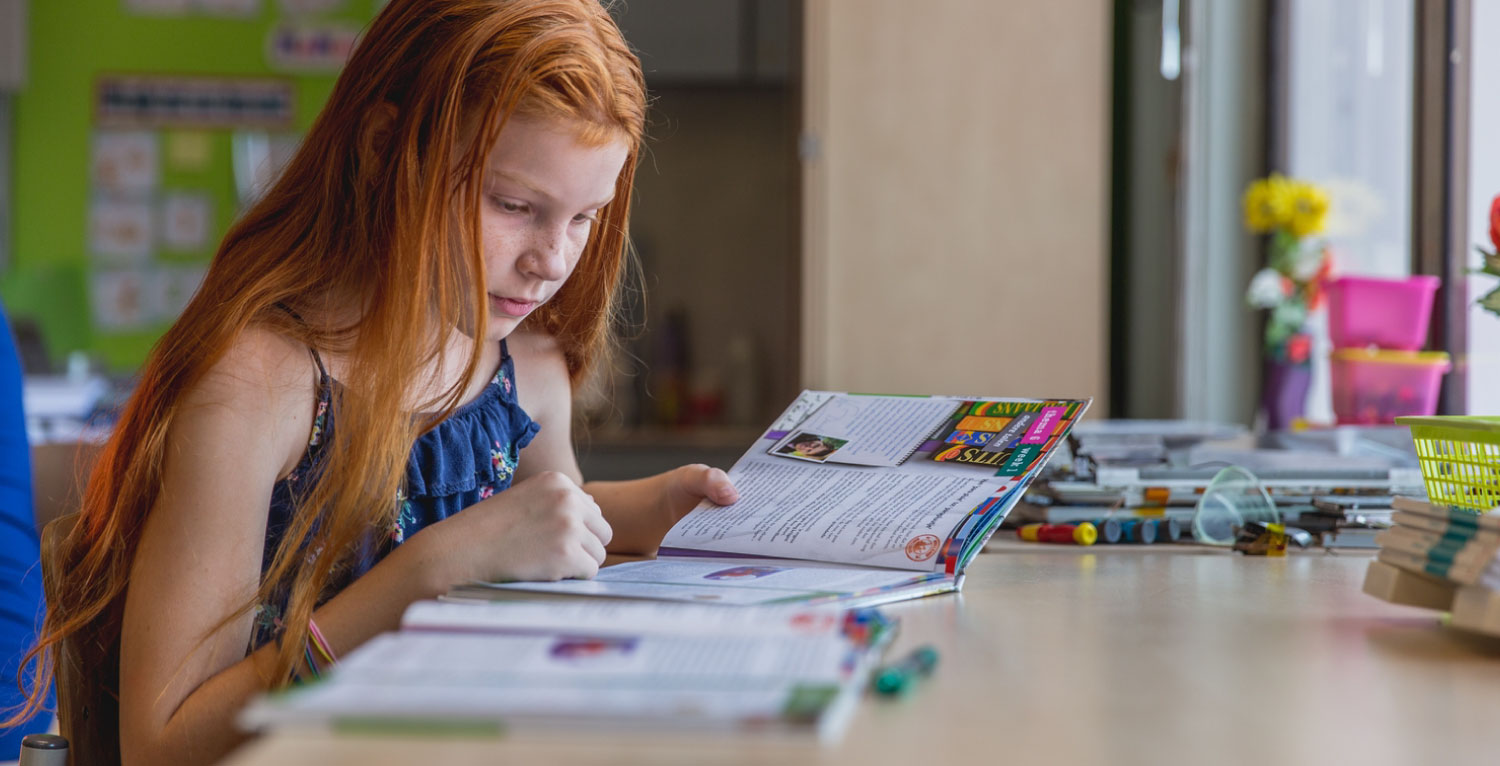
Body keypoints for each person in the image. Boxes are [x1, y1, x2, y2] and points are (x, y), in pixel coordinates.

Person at [8, 2, 738, 764]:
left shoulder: (528, 372)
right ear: (386, 147)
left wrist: (646, 513)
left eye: (586, 216)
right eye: (515, 206)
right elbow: (163, 746)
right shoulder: (258, 388)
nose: (552, 259)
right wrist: (422, 576)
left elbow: (522, 530)